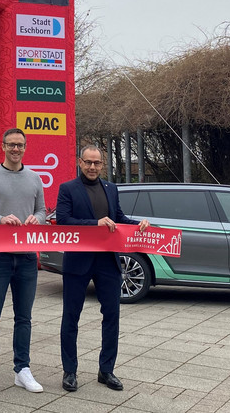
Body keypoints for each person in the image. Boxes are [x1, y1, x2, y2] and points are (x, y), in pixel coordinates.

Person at [55, 145, 150, 392]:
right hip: (78, 262)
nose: (92, 167)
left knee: (112, 316)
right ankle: (70, 371)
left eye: (97, 163)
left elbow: (117, 218)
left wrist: (137, 224)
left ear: (102, 164)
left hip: (108, 261)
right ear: (80, 162)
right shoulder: (68, 189)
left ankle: (106, 370)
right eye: (88, 162)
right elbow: (64, 222)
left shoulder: (111, 188)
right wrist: (94, 224)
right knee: (71, 317)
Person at [0, 128, 46, 395]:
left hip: (27, 257)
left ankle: (22, 369)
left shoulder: (35, 178)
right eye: (11, 145)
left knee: (24, 317)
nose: (16, 149)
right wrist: (0, 220)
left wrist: (39, 218)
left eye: (20, 145)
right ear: (3, 146)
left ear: (26, 147)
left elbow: (42, 210)